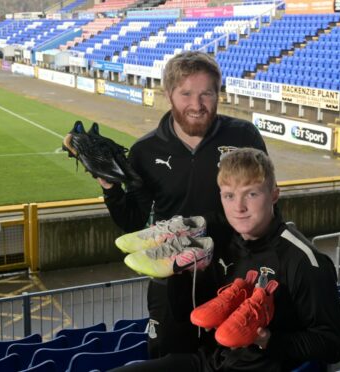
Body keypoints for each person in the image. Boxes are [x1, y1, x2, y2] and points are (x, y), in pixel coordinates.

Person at [111, 148, 340, 371]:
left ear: (274, 194)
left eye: (251, 194)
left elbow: (333, 345)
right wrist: (182, 276)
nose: (239, 207)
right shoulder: (222, 243)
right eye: (229, 195)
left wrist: (266, 339)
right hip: (211, 363)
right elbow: (187, 316)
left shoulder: (304, 260)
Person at [98, 51, 268, 357]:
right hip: (172, 280)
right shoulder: (144, 151)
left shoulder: (244, 136)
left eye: (207, 94)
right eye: (186, 93)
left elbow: (266, 204)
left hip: (235, 276)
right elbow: (134, 223)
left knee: (234, 359)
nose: (197, 105)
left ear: (219, 94)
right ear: (168, 95)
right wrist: (110, 188)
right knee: (170, 359)